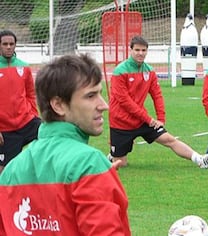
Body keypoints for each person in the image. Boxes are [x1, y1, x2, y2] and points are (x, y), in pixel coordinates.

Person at [0, 54, 131, 235]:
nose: (104, 105)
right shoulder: (89, 164)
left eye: (100, 94)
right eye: (91, 96)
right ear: (59, 105)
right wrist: (94, 174)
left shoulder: (10, 171)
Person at [108, 36, 208, 168]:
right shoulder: (120, 71)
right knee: (121, 164)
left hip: (141, 120)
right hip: (121, 122)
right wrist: (148, 118)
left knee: (169, 139)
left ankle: (200, 160)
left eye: (143, 50)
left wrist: (161, 118)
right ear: (131, 50)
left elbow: (157, 95)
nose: (140, 53)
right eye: (137, 50)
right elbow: (125, 102)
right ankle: (111, 156)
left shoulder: (149, 71)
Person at [0, 30, 41, 174]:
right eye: (5, 44)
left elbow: (30, 94)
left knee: (50, 134)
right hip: (5, 130)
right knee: (5, 172)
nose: (9, 47)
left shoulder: (24, 67)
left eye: (12, 44)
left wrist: (34, 116)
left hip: (26, 122)